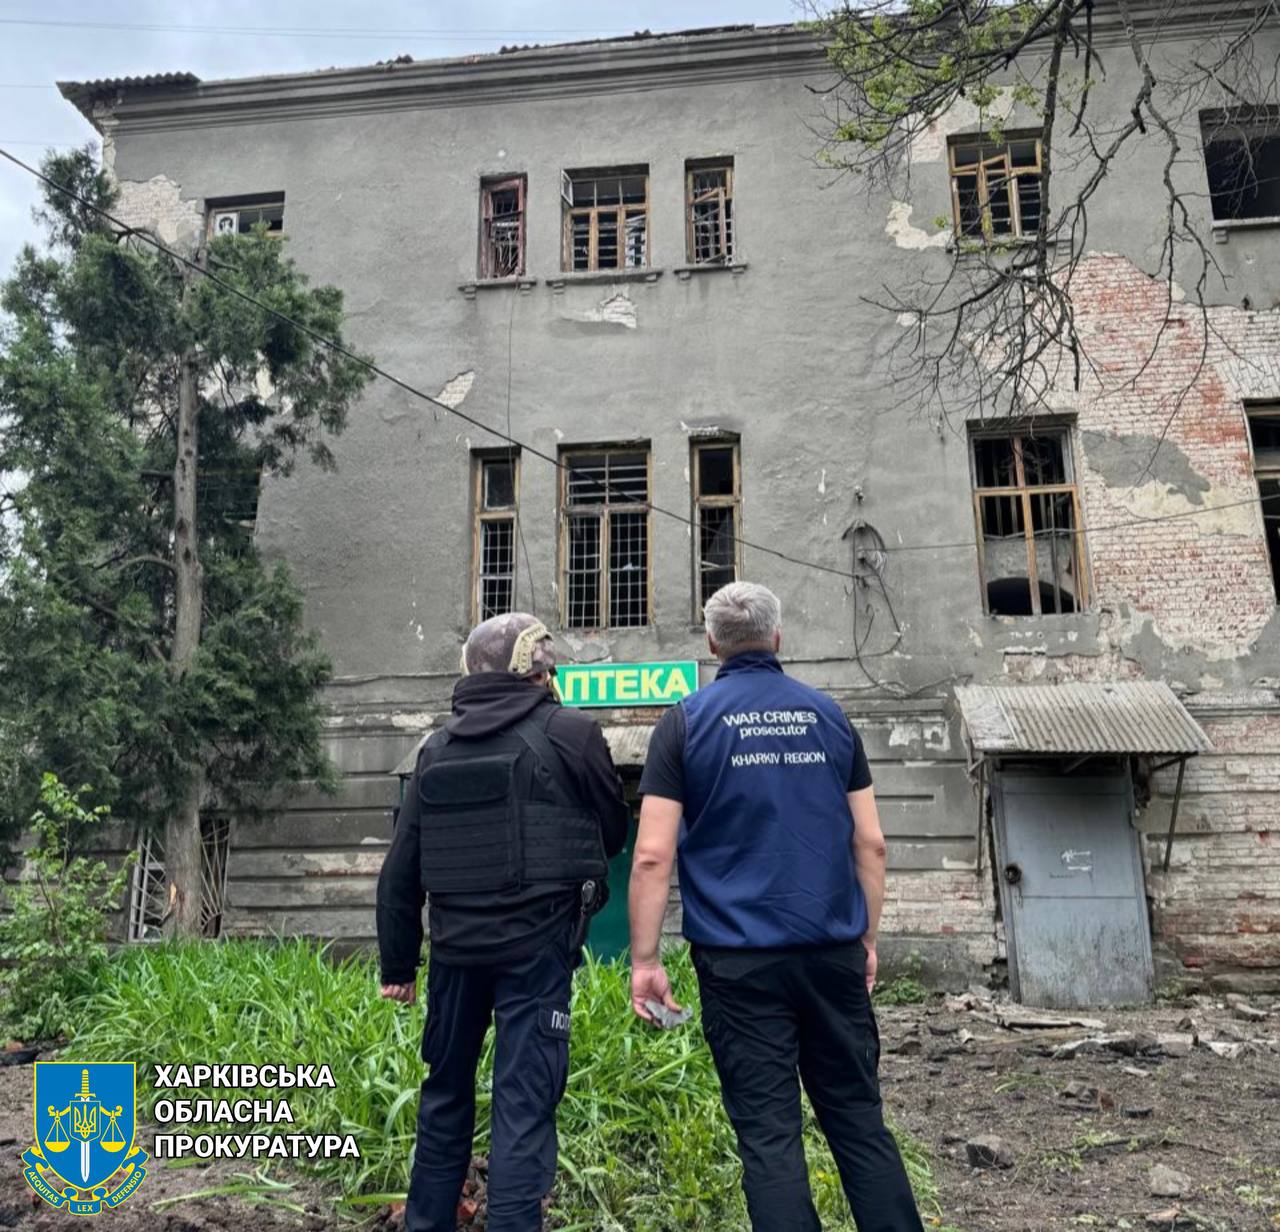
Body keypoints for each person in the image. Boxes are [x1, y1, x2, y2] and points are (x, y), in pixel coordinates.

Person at [629, 581, 924, 1232]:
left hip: (738, 965)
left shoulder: (684, 723)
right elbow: (871, 843)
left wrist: (645, 960)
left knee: (769, 1136)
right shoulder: (829, 716)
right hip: (831, 951)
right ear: (778, 637)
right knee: (859, 1123)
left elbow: (651, 855)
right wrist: (866, 940)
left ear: (712, 644)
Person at [377, 613, 628, 1232]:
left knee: (444, 1095)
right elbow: (612, 829)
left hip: (455, 956)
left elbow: (400, 868)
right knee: (523, 1104)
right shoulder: (572, 733)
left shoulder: (436, 749)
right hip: (537, 953)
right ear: (540, 672)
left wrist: (398, 966)